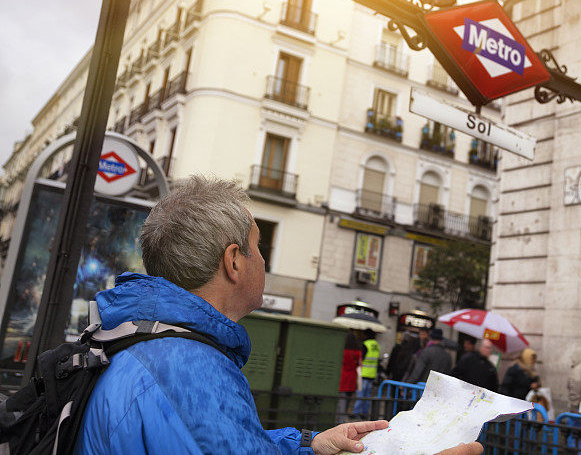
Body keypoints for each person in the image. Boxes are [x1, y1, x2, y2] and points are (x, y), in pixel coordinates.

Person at [76, 176, 481, 455]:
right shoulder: (187, 369)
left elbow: (224, 442)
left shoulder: (156, 343)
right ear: (234, 262)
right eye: (258, 245)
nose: (264, 260)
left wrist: (311, 444)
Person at [352, 329, 380, 419]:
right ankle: (365, 413)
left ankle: (356, 412)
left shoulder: (366, 344)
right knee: (367, 395)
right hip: (372, 374)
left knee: (360, 394)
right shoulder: (376, 345)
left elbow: (361, 358)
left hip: (363, 373)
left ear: (366, 335)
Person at [337, 330, 362, 423]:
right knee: (347, 400)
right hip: (352, 379)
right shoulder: (358, 352)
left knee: (341, 402)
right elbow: (359, 365)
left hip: (343, 378)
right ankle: (343, 418)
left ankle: (340, 421)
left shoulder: (343, 351)